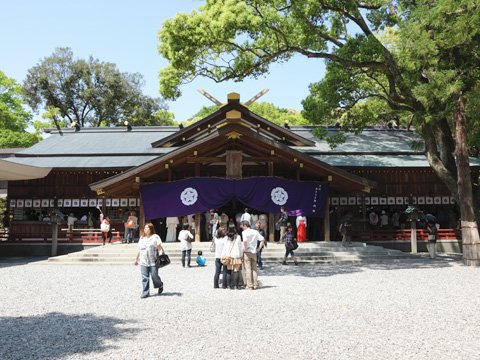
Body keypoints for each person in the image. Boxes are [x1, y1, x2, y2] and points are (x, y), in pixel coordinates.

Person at [134, 223, 164, 298]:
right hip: (143, 260)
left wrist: (158, 246)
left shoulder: (155, 237)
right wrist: (136, 259)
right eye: (145, 228)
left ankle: (160, 285)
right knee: (144, 277)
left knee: (154, 275)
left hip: (153, 260)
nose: (145, 229)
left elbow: (160, 248)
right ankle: (145, 292)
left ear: (151, 229)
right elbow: (139, 249)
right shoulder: (142, 238)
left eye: (147, 228)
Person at [241, 220, 264, 290]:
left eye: (242, 226)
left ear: (245, 225)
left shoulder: (244, 232)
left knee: (248, 269)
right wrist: (259, 249)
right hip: (254, 252)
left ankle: (249, 285)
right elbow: (262, 239)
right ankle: (255, 284)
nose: (242, 227)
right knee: (254, 269)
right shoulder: (255, 231)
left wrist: (245, 248)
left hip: (247, 252)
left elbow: (244, 241)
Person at [221, 223, 243, 290]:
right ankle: (236, 286)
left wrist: (223, 255)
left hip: (228, 256)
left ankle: (229, 286)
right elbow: (240, 247)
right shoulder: (238, 237)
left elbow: (224, 247)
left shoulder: (226, 238)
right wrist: (241, 255)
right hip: (236, 255)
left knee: (229, 270)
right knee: (236, 270)